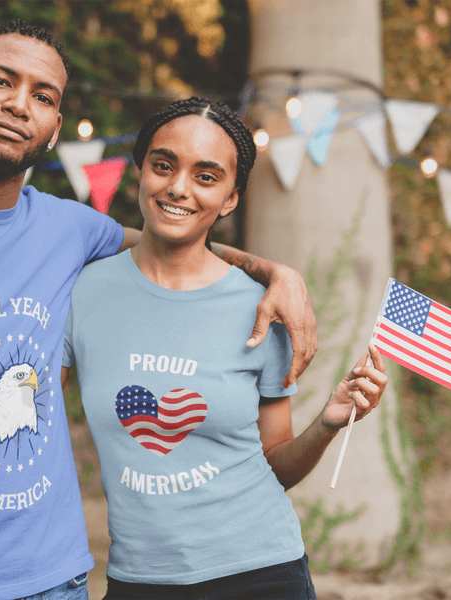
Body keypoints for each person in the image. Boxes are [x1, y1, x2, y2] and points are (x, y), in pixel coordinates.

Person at [0, 20, 317, 600]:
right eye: (0, 80)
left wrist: (277, 273)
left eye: (43, 96)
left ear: (54, 127)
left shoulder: (70, 228)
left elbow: (177, 243)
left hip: (63, 579)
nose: (18, 105)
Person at [57, 98, 388, 599]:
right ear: (140, 171)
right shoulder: (83, 292)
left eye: (206, 177)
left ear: (231, 198)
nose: (179, 188)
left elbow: (275, 462)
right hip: (139, 578)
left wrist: (326, 424)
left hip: (262, 573)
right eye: (163, 165)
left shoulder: (262, 308)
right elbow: (32, 419)